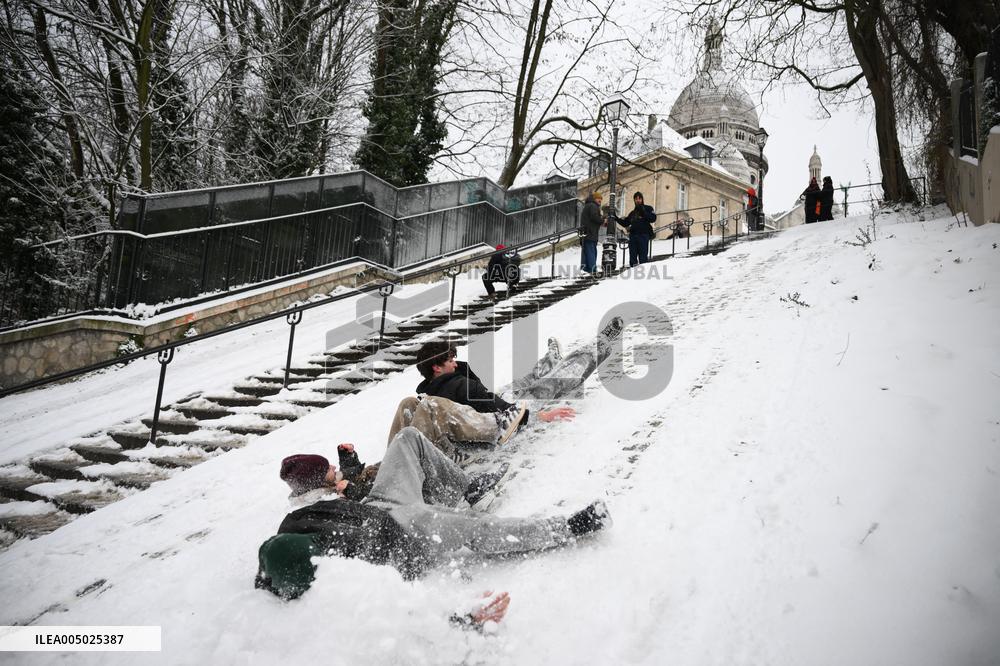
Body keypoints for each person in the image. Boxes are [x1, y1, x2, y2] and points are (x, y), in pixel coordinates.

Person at [256, 426, 611, 601]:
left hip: (379, 505)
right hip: (401, 533)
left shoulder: (298, 519)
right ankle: (565, 528)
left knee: (408, 437)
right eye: (331, 469)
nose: (336, 468)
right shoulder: (325, 566)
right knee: (474, 527)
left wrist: (348, 475)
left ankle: (466, 489)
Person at [414, 317, 624, 438]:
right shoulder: (457, 385)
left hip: (499, 397)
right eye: (450, 360)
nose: (455, 363)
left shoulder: (430, 391)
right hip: (512, 407)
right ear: (436, 368)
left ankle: (551, 359)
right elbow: (504, 415)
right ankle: (601, 342)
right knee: (562, 378)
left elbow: (484, 400)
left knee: (530, 379)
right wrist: (538, 416)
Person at [616, 192, 656, 266]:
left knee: (643, 258)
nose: (638, 200)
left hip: (643, 236)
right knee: (633, 259)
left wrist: (644, 212)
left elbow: (653, 218)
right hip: (633, 237)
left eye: (639, 198)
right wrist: (616, 218)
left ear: (642, 199)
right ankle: (632, 275)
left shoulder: (648, 208)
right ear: (634, 200)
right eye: (636, 199)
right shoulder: (632, 213)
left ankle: (643, 275)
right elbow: (625, 223)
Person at [579, 192, 603, 273]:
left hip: (586, 233)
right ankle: (592, 270)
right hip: (590, 233)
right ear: (594, 199)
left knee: (586, 251)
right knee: (591, 252)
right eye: (598, 198)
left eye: (601, 199)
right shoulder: (593, 205)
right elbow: (594, 217)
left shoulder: (588, 205)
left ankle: (585, 269)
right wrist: (603, 220)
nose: (600, 200)